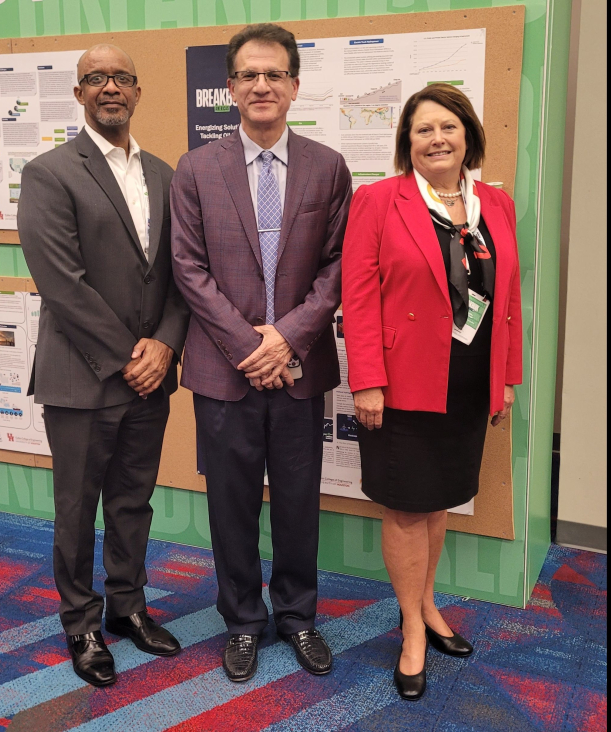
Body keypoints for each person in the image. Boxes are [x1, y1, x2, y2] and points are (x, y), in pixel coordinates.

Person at [170, 23, 352, 683]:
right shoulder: (196, 169)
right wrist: (254, 346)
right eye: (249, 75)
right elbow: (188, 269)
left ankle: (298, 617)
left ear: (295, 86)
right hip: (227, 372)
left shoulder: (328, 167)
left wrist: (287, 337)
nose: (262, 85)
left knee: (301, 501)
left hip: (300, 370)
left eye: (274, 74)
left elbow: (337, 268)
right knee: (232, 504)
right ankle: (244, 622)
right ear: (230, 88)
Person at [341, 83, 523, 701]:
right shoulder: (377, 200)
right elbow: (358, 297)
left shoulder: (496, 203)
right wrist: (367, 378)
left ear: (467, 135)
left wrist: (507, 377)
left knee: (440, 499)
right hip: (402, 381)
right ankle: (412, 630)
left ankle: (426, 605)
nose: (437, 138)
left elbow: (509, 300)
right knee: (407, 505)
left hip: (470, 380)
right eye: (423, 130)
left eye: (448, 127)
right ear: (407, 142)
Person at [17, 44, 190, 687]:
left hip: (151, 376)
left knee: (132, 503)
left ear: (139, 91)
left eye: (121, 77)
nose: (109, 87)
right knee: (77, 506)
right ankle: (82, 624)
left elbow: (180, 276)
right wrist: (129, 357)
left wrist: (166, 345)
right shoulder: (49, 172)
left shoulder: (169, 176)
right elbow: (61, 284)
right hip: (83, 376)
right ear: (79, 92)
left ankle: (128, 608)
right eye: (96, 78)